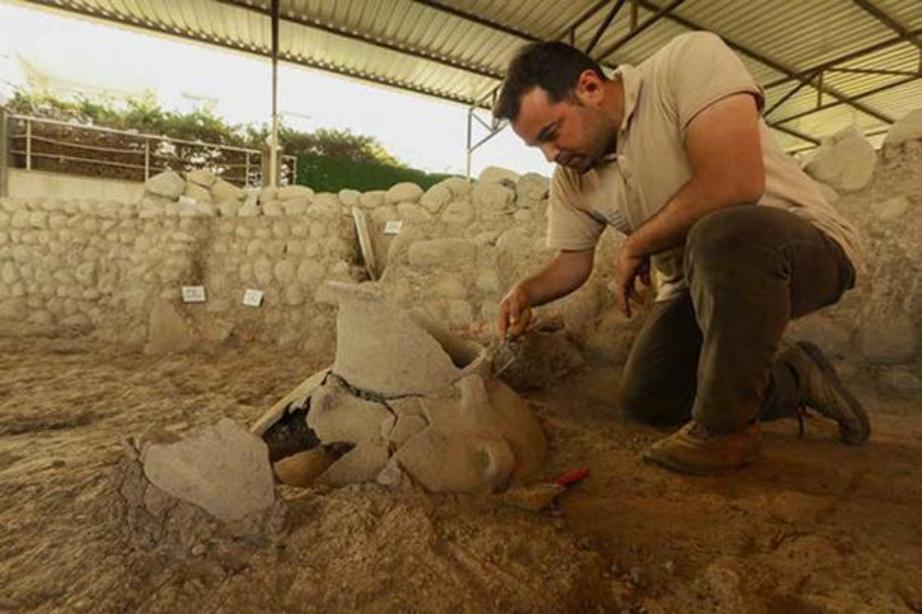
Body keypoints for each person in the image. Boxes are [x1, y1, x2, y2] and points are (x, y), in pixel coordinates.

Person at [493, 31, 870, 475]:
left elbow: (734, 183)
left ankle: (725, 432)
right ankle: (794, 379)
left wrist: (638, 242)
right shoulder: (573, 177)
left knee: (723, 234)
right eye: (537, 146)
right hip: (694, 284)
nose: (550, 155)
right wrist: (526, 292)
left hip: (800, 246)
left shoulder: (686, 64)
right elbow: (573, 261)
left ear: (590, 88)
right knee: (650, 395)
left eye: (551, 134)